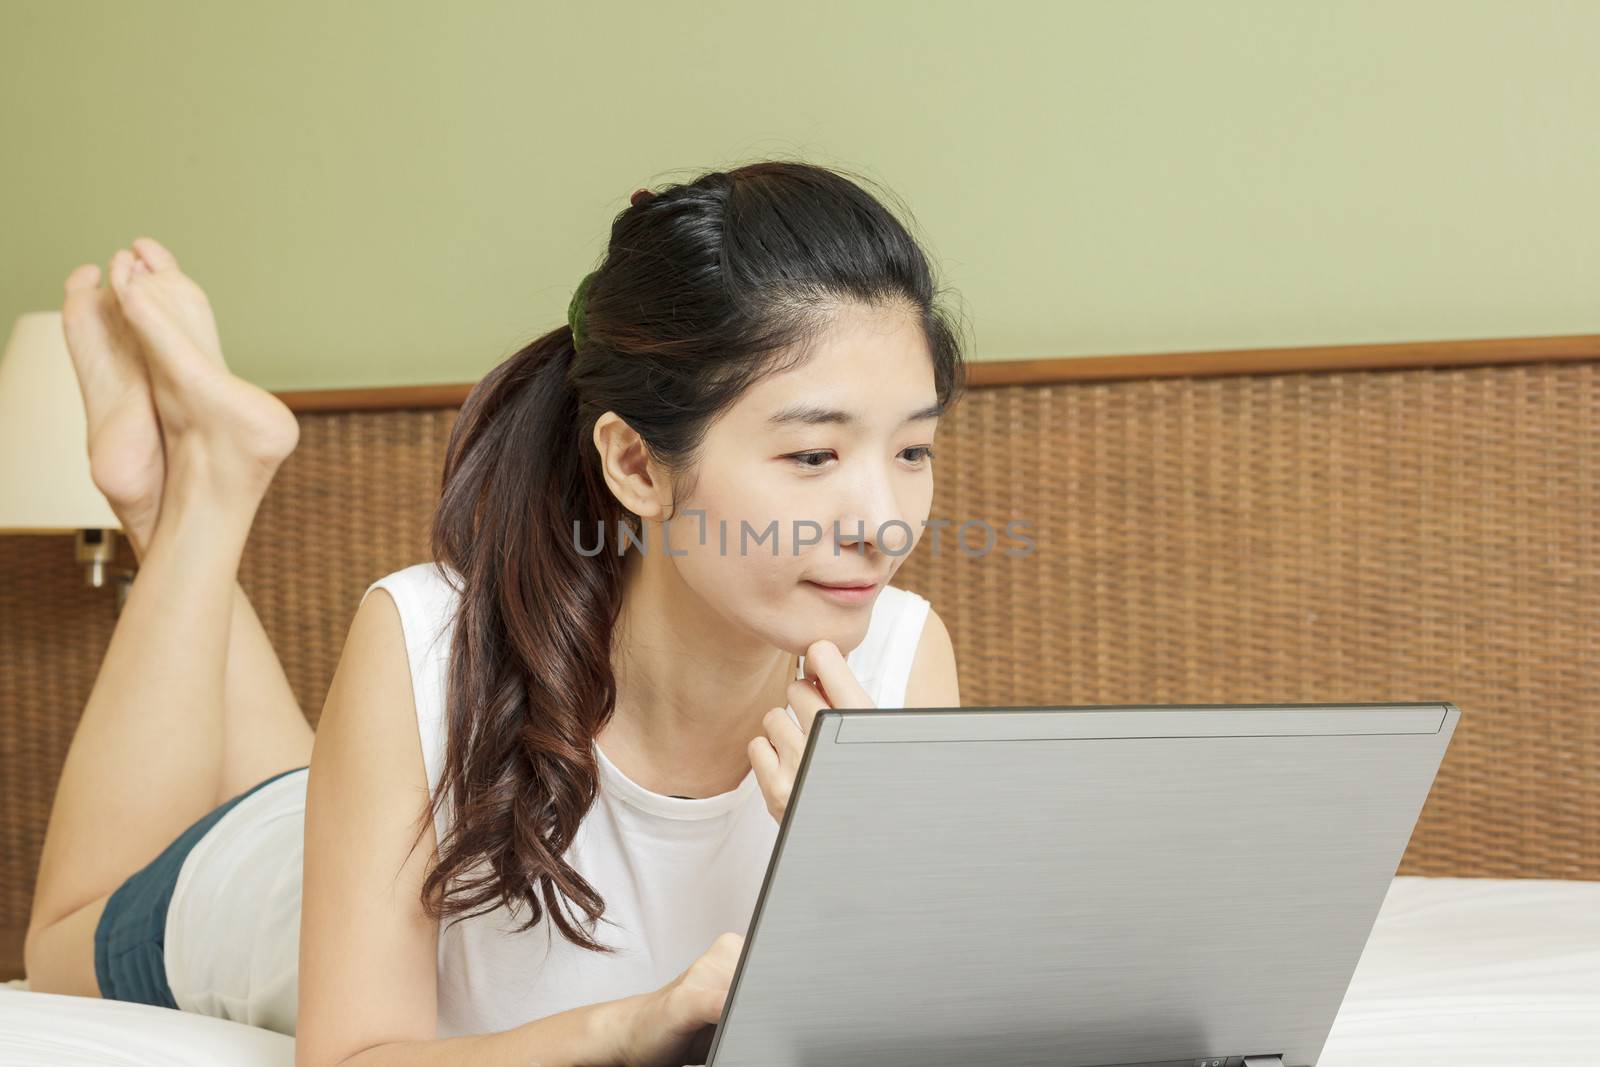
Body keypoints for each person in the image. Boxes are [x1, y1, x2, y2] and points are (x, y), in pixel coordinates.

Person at [24, 160, 965, 1067]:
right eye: (813, 457)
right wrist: (623, 1030)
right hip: (277, 892)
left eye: (914, 450)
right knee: (62, 939)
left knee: (307, 783)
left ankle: (201, 475)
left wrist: (872, 854)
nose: (882, 519)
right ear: (637, 464)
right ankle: (190, 497)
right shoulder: (428, 636)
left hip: (371, 812)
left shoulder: (900, 652)